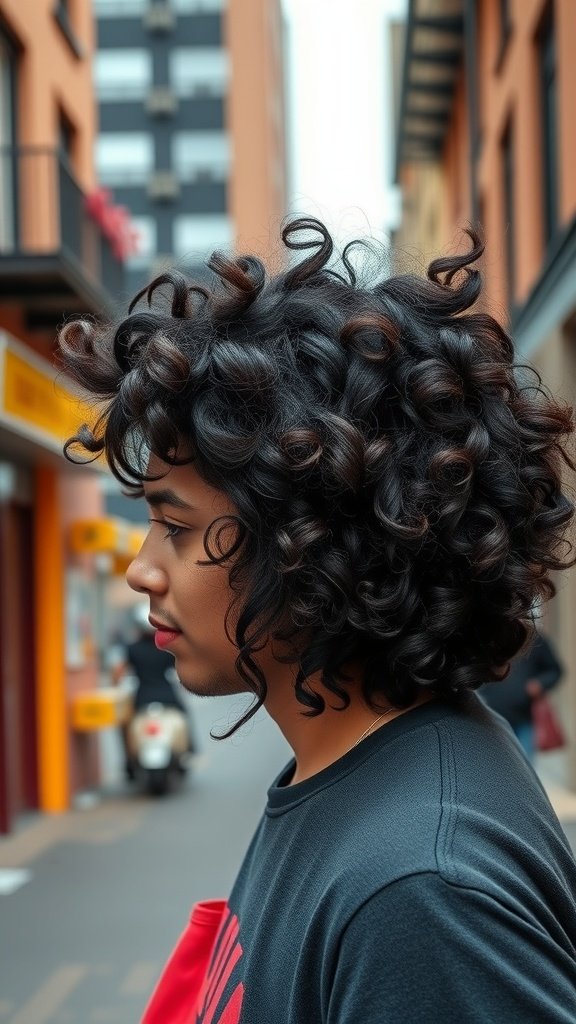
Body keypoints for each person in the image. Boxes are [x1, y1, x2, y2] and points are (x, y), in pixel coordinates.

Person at [59, 218, 576, 1022]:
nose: (141, 568)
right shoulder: (348, 782)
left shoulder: (421, 892)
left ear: (316, 537)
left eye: (178, 526)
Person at [112, 603, 194, 777]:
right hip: (168, 696)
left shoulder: (131, 648)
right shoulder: (166, 647)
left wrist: (118, 685)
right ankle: (188, 751)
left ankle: (128, 762)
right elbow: (182, 669)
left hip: (142, 698)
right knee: (184, 718)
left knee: (126, 726)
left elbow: (118, 673)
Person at [481, 629, 563, 759]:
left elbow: (555, 670)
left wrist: (540, 683)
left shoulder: (535, 638)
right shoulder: (485, 635)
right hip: (488, 719)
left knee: (525, 767)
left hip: (524, 718)